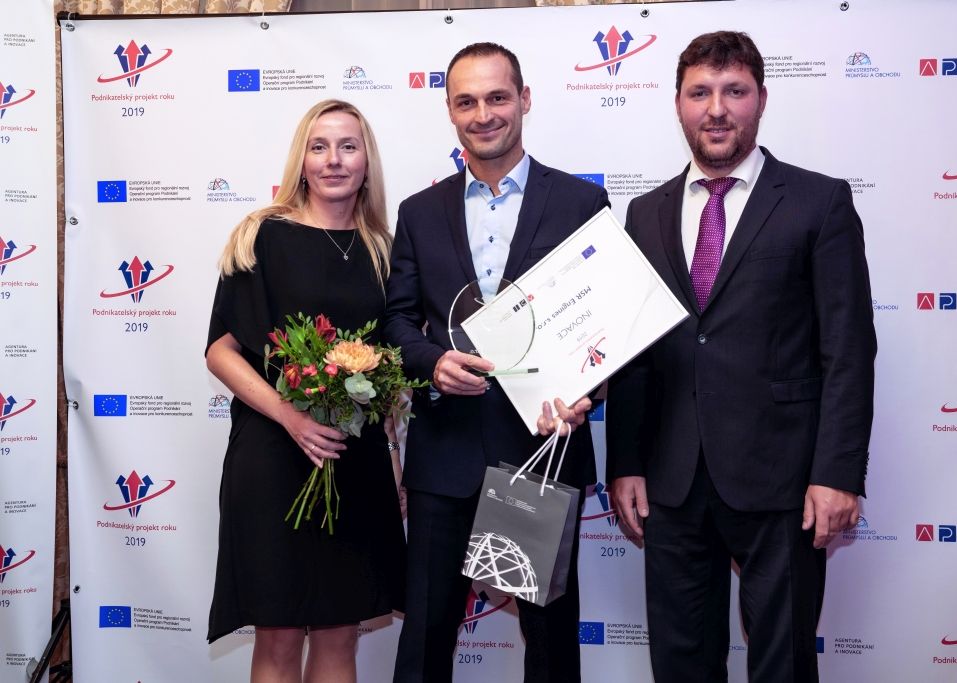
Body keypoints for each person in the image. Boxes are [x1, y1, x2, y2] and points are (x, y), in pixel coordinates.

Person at [607, 31, 875, 683]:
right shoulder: (645, 213)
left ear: (761, 99)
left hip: (784, 479)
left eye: (734, 91)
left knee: (782, 664)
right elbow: (634, 352)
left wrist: (838, 472)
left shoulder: (819, 201)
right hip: (671, 480)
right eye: (700, 92)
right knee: (680, 663)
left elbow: (848, 347)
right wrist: (626, 462)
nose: (717, 108)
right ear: (678, 103)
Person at [383, 42, 609, 683]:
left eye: (497, 97)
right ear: (450, 112)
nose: (483, 114)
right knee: (425, 643)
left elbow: (606, 326)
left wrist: (587, 389)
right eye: (467, 101)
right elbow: (396, 322)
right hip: (446, 456)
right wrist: (431, 364)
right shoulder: (418, 213)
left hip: (541, 451)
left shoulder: (581, 203)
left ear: (524, 100)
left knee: (550, 646)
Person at [205, 99, 405, 683]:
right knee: (279, 636)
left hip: (355, 460)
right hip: (273, 457)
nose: (333, 160)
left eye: (348, 146)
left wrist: (394, 461)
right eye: (319, 147)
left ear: (367, 161)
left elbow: (389, 376)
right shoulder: (262, 237)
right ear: (302, 159)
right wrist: (290, 415)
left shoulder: (384, 252)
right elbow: (220, 351)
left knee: (341, 636)